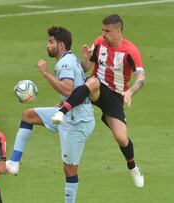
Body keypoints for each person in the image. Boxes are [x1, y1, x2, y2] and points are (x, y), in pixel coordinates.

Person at [52, 14, 145, 188]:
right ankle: (61, 111)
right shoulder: (100, 42)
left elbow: (141, 78)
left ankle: (132, 167)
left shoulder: (130, 51)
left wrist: (130, 91)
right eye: (102, 30)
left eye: (107, 31)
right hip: (94, 87)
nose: (103, 34)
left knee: (122, 138)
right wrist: (86, 59)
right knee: (92, 82)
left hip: (115, 95)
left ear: (118, 31)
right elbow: (85, 68)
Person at [6, 26, 95, 203]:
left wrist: (45, 73)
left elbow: (69, 89)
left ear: (61, 45)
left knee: (70, 169)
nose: (48, 45)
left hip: (77, 122)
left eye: (51, 42)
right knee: (28, 115)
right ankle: (14, 162)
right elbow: (78, 82)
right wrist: (86, 61)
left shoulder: (64, 63)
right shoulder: (69, 59)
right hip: (68, 113)